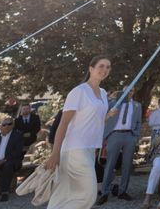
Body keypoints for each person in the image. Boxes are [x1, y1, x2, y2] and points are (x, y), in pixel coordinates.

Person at [45, 55, 116, 209]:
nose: (105, 70)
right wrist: (55, 153)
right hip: (74, 149)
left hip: (90, 148)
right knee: (88, 194)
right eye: (101, 66)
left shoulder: (103, 93)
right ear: (91, 68)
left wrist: (108, 116)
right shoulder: (79, 91)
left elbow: (93, 120)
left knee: (64, 193)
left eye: (108, 67)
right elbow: (63, 124)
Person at [97, 87, 142, 204]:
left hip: (129, 136)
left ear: (134, 92)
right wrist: (112, 97)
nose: (129, 93)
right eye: (126, 91)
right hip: (114, 135)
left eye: (131, 90)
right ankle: (104, 193)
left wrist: (135, 135)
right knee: (110, 164)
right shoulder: (113, 103)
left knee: (127, 165)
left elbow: (138, 122)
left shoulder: (137, 105)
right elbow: (102, 109)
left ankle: (122, 192)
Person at [0, 117, 24, 202]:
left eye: (9, 124)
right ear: (1, 126)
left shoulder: (17, 135)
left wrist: (2, 162)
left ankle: (5, 192)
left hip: (10, 160)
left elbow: (17, 152)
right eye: (4, 124)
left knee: (8, 166)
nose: (7, 126)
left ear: (13, 125)